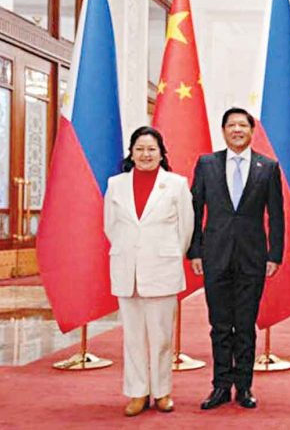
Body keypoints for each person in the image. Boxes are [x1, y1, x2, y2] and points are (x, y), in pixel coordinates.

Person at [189, 107, 284, 411]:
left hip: (252, 257)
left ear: (251, 131)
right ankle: (220, 386)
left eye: (243, 125)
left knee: (245, 325)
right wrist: (195, 250)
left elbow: (277, 215)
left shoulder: (267, 167)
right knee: (219, 325)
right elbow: (195, 209)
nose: (237, 130)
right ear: (223, 130)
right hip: (215, 255)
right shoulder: (207, 164)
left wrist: (275, 255)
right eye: (231, 125)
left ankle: (243, 386)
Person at [103, 126, 194, 417]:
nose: (145, 155)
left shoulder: (177, 184)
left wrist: (167, 254)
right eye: (140, 149)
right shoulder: (116, 184)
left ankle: (162, 391)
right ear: (131, 152)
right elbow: (110, 226)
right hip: (127, 268)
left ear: (161, 153)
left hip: (162, 268)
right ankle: (137, 392)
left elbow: (186, 228)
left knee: (162, 336)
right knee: (132, 336)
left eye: (151, 149)